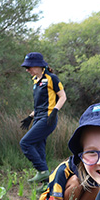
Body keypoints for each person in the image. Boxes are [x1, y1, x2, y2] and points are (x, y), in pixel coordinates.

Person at [19, 52, 68, 183]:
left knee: (25, 143)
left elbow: (63, 96)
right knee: (39, 147)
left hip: (48, 118)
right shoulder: (35, 81)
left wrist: (55, 111)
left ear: (39, 66)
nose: (27, 70)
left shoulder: (52, 78)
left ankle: (42, 171)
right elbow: (40, 104)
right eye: (26, 68)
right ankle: (47, 182)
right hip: (38, 117)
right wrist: (30, 117)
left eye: (29, 67)